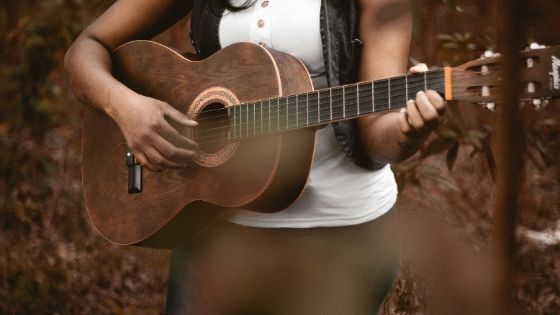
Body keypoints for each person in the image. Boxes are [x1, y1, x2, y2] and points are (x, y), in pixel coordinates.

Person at [65, 0, 447, 314]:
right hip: (215, 225)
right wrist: (127, 108)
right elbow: (86, 49)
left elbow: (378, 134)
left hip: (341, 233)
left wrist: (407, 131)